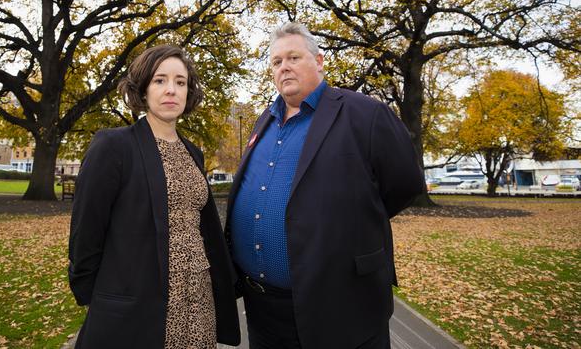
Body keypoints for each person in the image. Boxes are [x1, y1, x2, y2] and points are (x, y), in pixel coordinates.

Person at [226, 22, 425, 349]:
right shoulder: (265, 119)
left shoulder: (365, 113)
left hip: (340, 307)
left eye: (293, 57)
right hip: (264, 311)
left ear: (319, 61)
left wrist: (349, 223)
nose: (284, 67)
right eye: (276, 62)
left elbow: (404, 184)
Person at [68, 45, 240, 348]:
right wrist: (99, 297)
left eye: (180, 82)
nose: (171, 90)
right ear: (143, 88)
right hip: (141, 307)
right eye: (160, 80)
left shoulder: (193, 152)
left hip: (198, 301)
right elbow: (86, 232)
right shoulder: (114, 146)